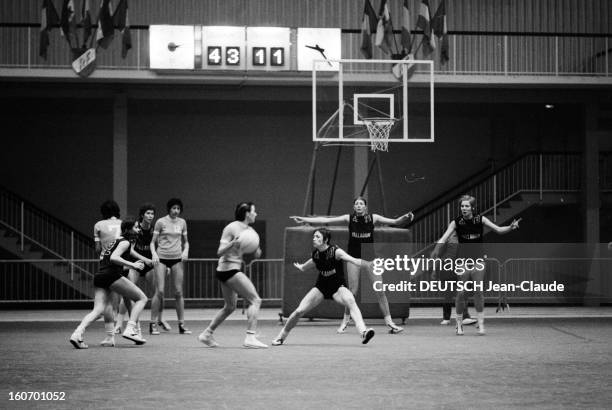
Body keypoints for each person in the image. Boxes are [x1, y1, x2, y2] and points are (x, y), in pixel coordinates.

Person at [291, 197, 413, 334]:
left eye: (361, 204)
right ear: (354, 207)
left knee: (380, 290)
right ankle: (345, 321)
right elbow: (325, 220)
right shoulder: (349, 219)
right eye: (356, 204)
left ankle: (390, 323)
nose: (359, 206)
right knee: (352, 292)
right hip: (353, 259)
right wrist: (304, 219)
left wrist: (406, 217)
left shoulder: (374, 218)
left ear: (365, 207)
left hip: (370, 260)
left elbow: (395, 222)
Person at [431, 195, 521, 335]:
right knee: (461, 293)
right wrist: (436, 250)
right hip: (462, 262)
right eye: (462, 206)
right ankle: (459, 324)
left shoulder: (481, 219)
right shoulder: (456, 222)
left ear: (472, 207)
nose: (464, 208)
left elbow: (498, 230)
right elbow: (443, 238)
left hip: (478, 261)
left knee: (478, 291)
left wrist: (510, 227)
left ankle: (480, 324)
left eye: (467, 206)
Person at [271, 228, 375, 346]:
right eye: (314, 236)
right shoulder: (316, 254)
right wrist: (301, 267)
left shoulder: (336, 252)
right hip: (321, 287)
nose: (314, 239)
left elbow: (354, 260)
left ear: (325, 240)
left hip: (338, 287)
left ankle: (363, 332)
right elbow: (311, 263)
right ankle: (281, 337)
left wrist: (368, 264)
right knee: (299, 311)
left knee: (350, 300)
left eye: (317, 237)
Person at [197, 202, 268, 348]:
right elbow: (219, 251)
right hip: (228, 269)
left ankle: (206, 334)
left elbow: (251, 253)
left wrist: (256, 251)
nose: (256, 214)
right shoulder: (231, 227)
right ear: (247, 213)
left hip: (230, 269)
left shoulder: (250, 231)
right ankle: (250, 337)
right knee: (256, 300)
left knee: (230, 306)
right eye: (254, 211)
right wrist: (232, 244)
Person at [69, 220, 148, 348]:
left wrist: (137, 263)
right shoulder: (125, 242)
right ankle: (130, 329)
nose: (139, 230)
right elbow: (114, 258)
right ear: (128, 229)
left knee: (99, 310)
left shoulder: (117, 241)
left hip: (100, 275)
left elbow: (113, 259)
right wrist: (133, 264)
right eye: (136, 227)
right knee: (142, 298)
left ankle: (77, 333)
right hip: (111, 276)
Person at [114, 203, 156, 335]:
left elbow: (155, 246)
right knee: (128, 292)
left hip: (149, 265)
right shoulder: (135, 228)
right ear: (142, 215)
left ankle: (154, 323)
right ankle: (119, 324)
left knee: (157, 293)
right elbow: (131, 251)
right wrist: (144, 260)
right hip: (135, 264)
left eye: (152, 213)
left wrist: (157, 261)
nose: (150, 216)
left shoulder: (153, 230)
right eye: (148, 213)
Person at [150, 198, 191, 335]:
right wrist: (154, 254)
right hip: (161, 258)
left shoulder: (182, 222)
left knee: (178, 292)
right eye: (174, 208)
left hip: (177, 259)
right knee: (160, 291)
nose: (176, 211)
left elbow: (187, 242)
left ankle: (181, 325)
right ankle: (153, 324)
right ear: (169, 209)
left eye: (178, 209)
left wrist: (185, 251)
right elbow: (152, 242)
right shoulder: (161, 222)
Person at [434, 232, 476, 326]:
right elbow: (439, 255)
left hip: (460, 267)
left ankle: (465, 317)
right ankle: (446, 318)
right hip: (448, 268)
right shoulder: (447, 239)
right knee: (448, 294)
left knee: (462, 292)